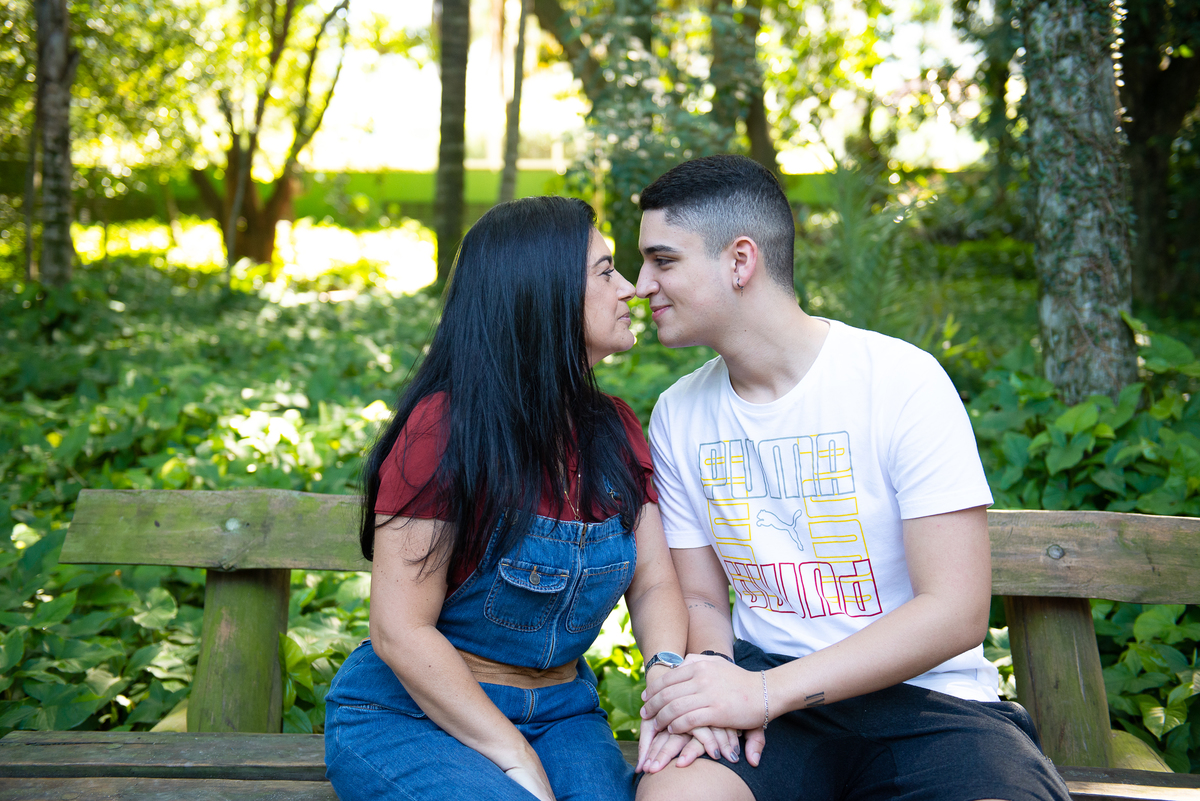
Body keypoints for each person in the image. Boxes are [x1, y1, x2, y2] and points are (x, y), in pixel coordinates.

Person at [630, 155, 1072, 801]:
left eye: (663, 260)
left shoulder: (899, 381)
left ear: (740, 261)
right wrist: (711, 684)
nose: (641, 284)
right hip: (770, 705)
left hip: (927, 701)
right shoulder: (679, 412)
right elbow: (700, 598)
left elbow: (954, 612)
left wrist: (763, 693)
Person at [324, 196, 695, 801]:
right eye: (606, 272)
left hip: (563, 714)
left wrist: (665, 678)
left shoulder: (614, 430)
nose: (630, 287)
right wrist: (512, 753)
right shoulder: (443, 431)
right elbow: (400, 630)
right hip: (416, 711)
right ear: (543, 295)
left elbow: (653, 583)